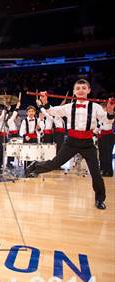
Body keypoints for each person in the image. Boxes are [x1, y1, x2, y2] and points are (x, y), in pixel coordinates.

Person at [26, 79, 115, 210]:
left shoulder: (95, 107)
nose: (81, 90)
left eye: (84, 88)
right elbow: (53, 111)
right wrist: (45, 102)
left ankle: (100, 199)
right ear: (74, 92)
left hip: (88, 143)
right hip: (71, 142)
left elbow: (107, 122)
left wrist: (110, 112)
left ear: (89, 90)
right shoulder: (68, 107)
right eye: (78, 88)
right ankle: (36, 165)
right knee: (54, 164)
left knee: (96, 173)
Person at [97, 102, 114, 177]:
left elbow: (106, 125)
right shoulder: (101, 118)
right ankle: (103, 169)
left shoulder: (110, 115)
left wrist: (99, 127)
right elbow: (97, 128)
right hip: (101, 137)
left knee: (107, 154)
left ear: (105, 108)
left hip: (108, 137)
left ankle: (109, 171)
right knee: (102, 154)